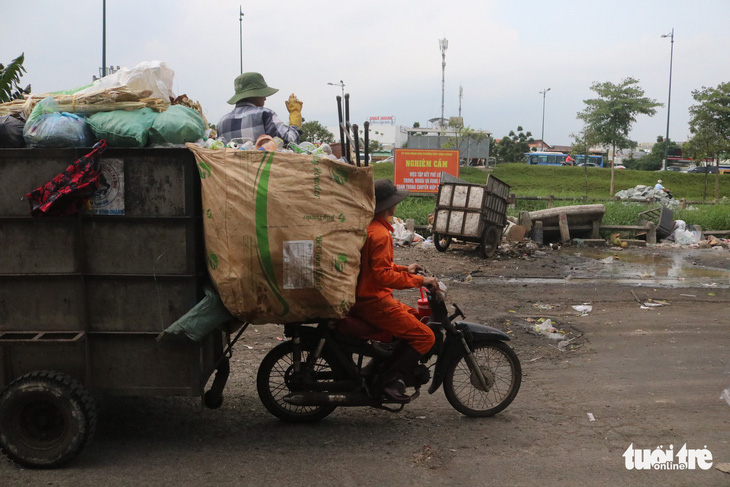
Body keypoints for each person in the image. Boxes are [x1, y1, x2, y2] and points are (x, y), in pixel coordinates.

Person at [348, 179, 439, 403]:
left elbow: (377, 268)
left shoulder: (371, 229)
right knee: (426, 336)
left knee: (415, 317)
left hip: (368, 298)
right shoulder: (380, 235)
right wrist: (420, 280)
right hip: (374, 302)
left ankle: (375, 369)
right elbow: (382, 276)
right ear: (390, 205)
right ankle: (387, 381)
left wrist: (405, 268)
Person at [217, 72, 302, 145]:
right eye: (262, 94)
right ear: (254, 95)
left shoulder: (222, 122)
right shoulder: (264, 114)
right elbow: (290, 141)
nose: (265, 98)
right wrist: (295, 117)